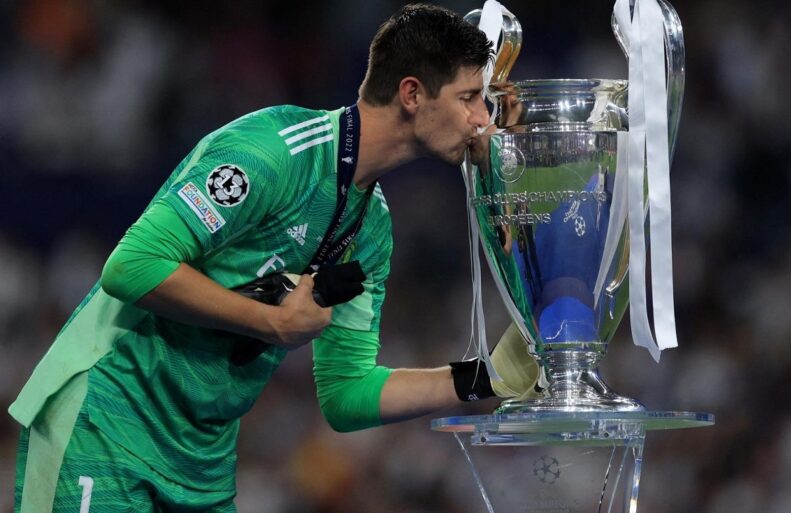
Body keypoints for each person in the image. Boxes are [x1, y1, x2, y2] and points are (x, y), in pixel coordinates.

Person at [9, 4, 539, 512]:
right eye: (470, 98)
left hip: (201, 459)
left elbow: (347, 395)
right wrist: (270, 321)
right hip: (105, 420)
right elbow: (131, 266)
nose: (483, 119)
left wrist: (486, 379)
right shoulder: (274, 151)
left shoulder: (371, 227)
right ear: (412, 94)